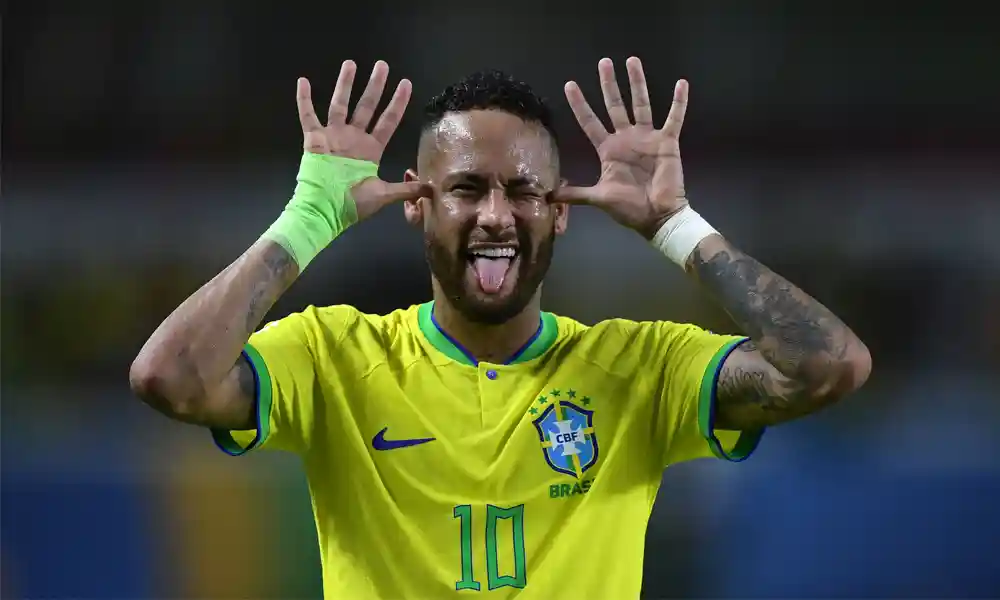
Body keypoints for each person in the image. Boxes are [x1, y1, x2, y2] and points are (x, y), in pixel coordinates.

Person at [130, 57, 871, 599]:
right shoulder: (332, 356)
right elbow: (171, 377)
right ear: (417, 203)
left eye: (523, 189)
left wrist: (679, 228)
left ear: (560, 211)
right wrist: (305, 222)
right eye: (465, 188)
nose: (494, 214)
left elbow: (829, 367)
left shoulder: (641, 367)